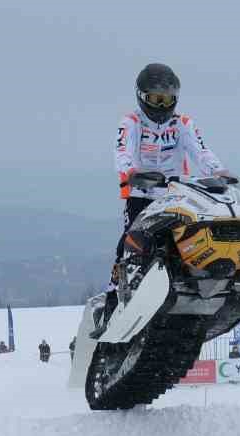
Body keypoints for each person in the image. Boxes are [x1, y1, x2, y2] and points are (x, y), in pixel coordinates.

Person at [96, 63, 229, 334]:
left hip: (176, 195)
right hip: (141, 195)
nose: (162, 105)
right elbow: (122, 152)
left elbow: (201, 152)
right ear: (142, 97)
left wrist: (219, 172)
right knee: (128, 246)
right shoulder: (131, 123)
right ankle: (111, 305)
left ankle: (202, 283)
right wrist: (131, 172)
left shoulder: (182, 124)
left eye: (168, 99)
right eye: (157, 99)